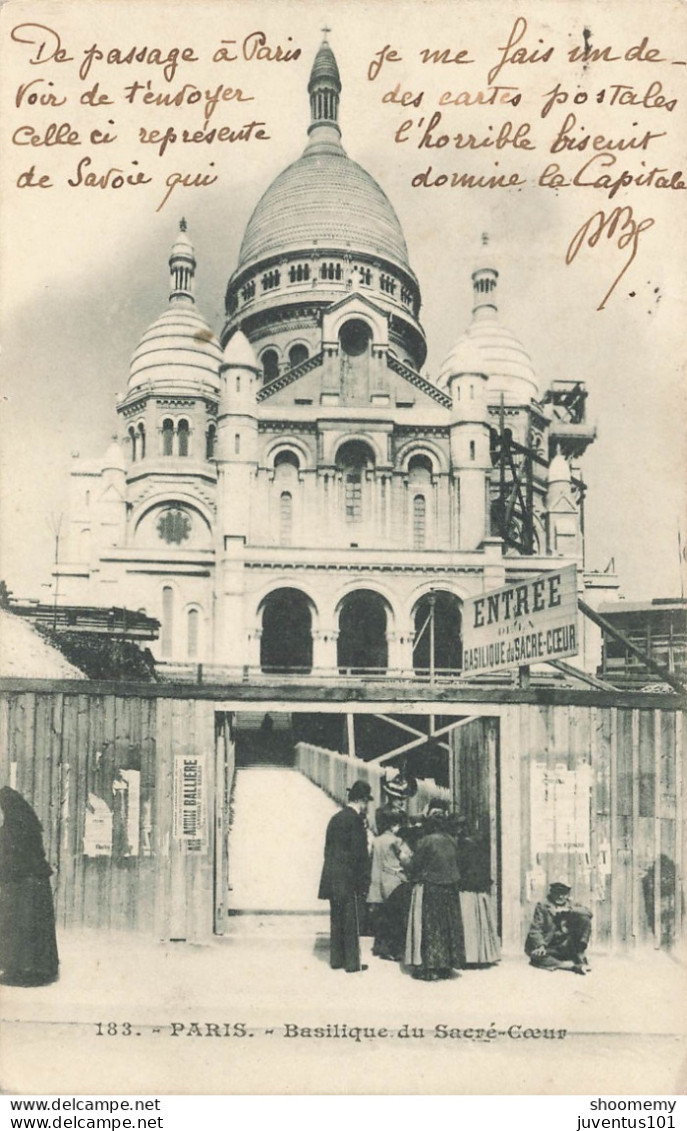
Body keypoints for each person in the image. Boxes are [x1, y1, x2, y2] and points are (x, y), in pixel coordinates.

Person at [0, 786, 59, 986]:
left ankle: (21, 972)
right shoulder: (29, 826)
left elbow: (8, 860)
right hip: (36, 886)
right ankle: (41, 970)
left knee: (19, 929)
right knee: (34, 930)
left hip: (21, 888)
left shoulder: (10, 831)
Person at [404, 805, 464, 981]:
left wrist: (405, 861)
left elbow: (415, 865)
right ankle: (447, 965)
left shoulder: (426, 841)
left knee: (431, 928)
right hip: (451, 888)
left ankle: (430, 967)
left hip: (432, 887)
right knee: (449, 926)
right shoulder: (452, 840)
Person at [318, 779, 372, 973]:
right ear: (362, 801)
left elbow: (328, 849)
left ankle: (336, 959)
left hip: (333, 877)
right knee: (352, 921)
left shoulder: (336, 818)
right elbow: (359, 854)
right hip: (349, 879)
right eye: (367, 802)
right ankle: (352, 963)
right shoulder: (355, 820)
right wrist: (364, 879)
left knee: (336, 919)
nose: (367, 807)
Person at [448, 815, 500, 967]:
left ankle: (468, 956)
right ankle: (482, 955)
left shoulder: (461, 846)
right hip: (479, 888)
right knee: (480, 922)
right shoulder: (476, 843)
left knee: (468, 922)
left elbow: (459, 868)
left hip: (465, 888)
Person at [368, 809, 410, 960]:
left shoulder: (376, 841)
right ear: (394, 825)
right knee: (397, 918)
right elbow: (406, 859)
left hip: (379, 882)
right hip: (395, 881)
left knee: (383, 917)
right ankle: (396, 950)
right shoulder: (396, 841)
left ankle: (381, 947)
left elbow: (371, 859)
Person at [525, 880, 592, 974]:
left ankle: (579, 952)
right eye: (558, 893)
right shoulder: (543, 906)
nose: (561, 896)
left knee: (585, 919)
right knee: (536, 956)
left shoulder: (572, 904)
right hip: (550, 945)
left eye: (564, 894)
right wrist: (540, 945)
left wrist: (569, 910)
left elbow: (588, 913)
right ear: (552, 892)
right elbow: (536, 929)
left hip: (567, 944)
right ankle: (571, 966)